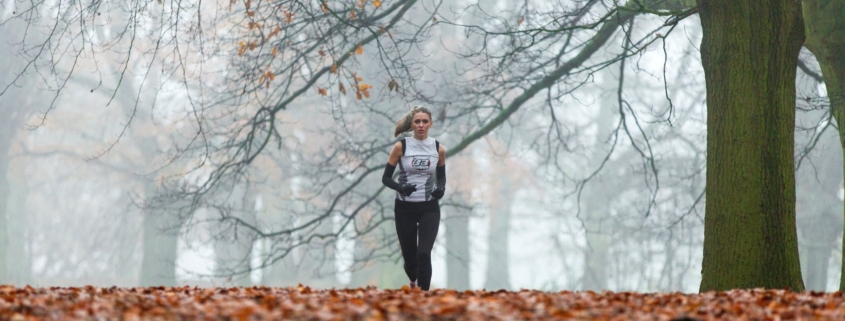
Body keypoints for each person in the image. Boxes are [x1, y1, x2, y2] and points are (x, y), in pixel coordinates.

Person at [381, 105, 446, 291]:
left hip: (429, 208)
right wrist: (400, 187)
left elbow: (441, 177)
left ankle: (424, 297)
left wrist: (440, 189)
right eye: (417, 121)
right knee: (410, 260)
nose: (421, 125)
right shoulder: (401, 146)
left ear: (430, 124)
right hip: (404, 208)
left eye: (425, 121)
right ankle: (413, 280)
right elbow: (385, 178)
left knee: (424, 254)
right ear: (412, 124)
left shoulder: (438, 148)